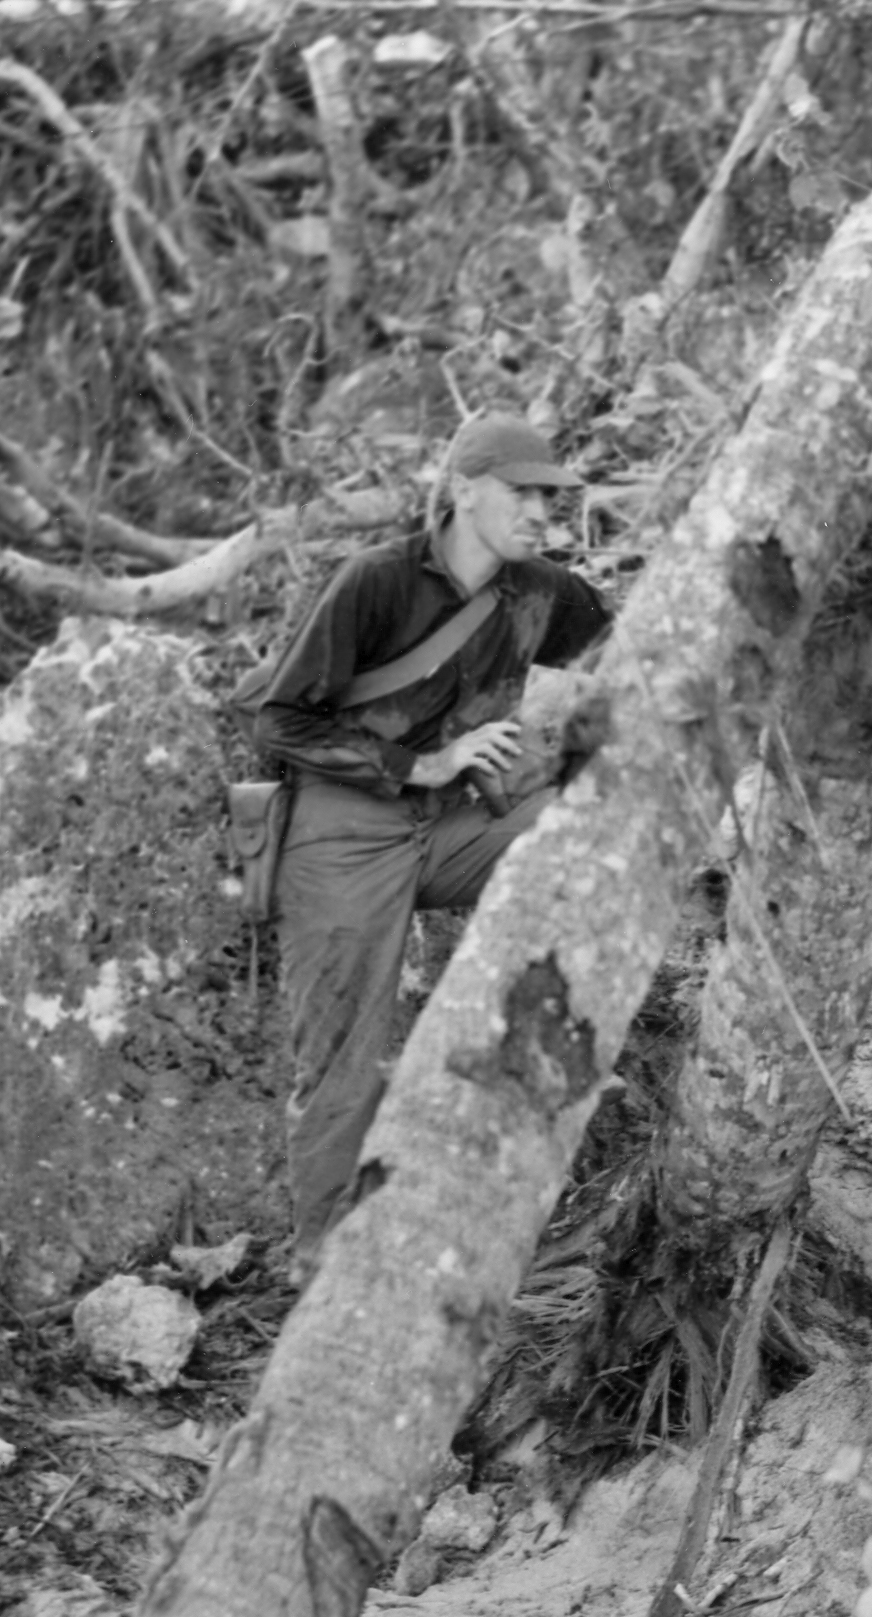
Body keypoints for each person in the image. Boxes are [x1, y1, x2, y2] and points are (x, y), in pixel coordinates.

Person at [244, 412, 614, 1277]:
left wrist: (564, 743)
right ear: (461, 491)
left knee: (585, 834)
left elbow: (627, 648)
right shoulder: (375, 582)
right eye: (520, 492)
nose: (539, 510)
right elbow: (280, 719)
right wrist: (423, 762)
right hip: (343, 828)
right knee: (340, 1059)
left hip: (453, 826)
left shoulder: (544, 591)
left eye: (548, 496)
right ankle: (327, 1267)